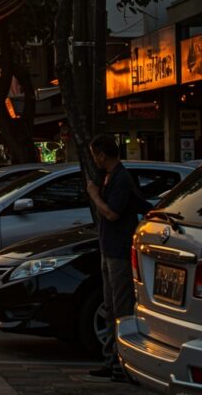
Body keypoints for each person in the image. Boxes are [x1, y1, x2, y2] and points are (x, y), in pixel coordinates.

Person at [85, 134, 138, 383]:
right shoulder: (111, 177)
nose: (94, 159)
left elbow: (112, 213)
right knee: (110, 306)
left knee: (121, 307)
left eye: (95, 154)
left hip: (118, 251)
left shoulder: (121, 178)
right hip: (108, 249)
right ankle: (110, 358)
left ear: (102, 154)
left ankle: (121, 362)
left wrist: (94, 195)